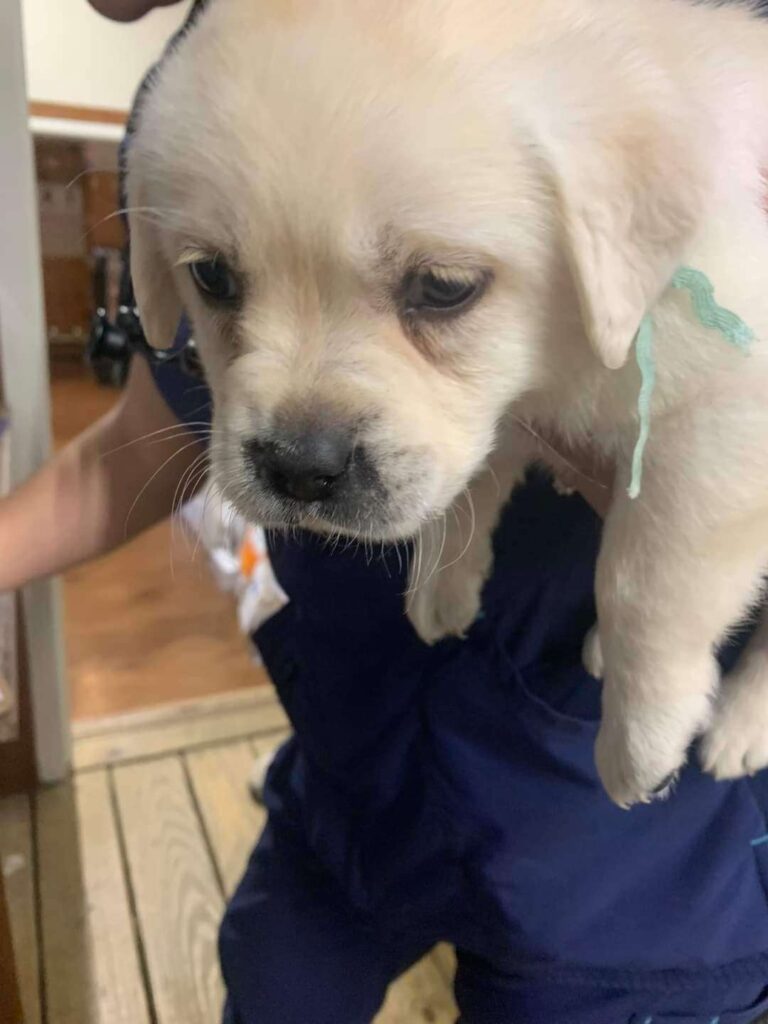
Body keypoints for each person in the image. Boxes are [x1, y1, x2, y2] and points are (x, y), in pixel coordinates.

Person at [5, 1, 768, 1021]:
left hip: (617, 859)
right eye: (219, 281)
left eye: (438, 289)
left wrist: (656, 635)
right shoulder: (217, 85)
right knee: (274, 980)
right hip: (359, 757)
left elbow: (730, 405)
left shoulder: (623, 91)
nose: (301, 438)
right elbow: (146, 433)